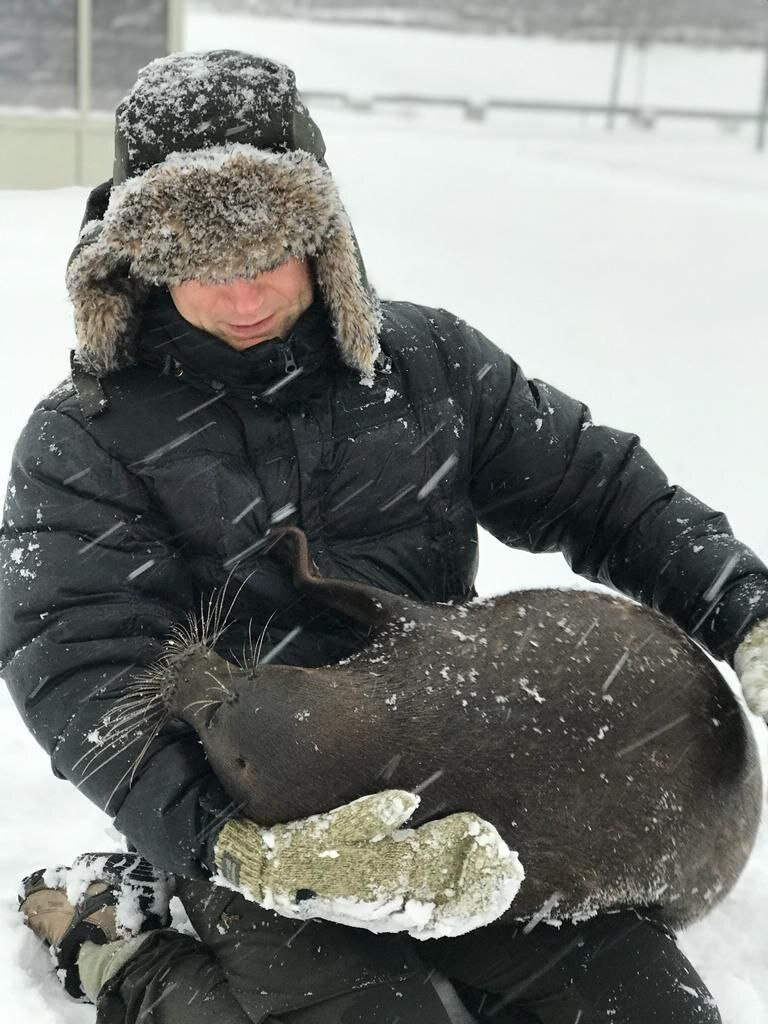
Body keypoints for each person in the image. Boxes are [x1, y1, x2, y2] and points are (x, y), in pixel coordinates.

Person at [2, 49, 767, 1024]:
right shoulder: (85, 438)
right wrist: (231, 844)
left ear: (322, 237)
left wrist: (747, 608)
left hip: (465, 791)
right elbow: (79, 667)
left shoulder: (428, 365)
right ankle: (125, 949)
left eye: (268, 253)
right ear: (138, 258)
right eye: (201, 262)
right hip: (251, 804)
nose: (242, 297)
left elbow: (603, 493)